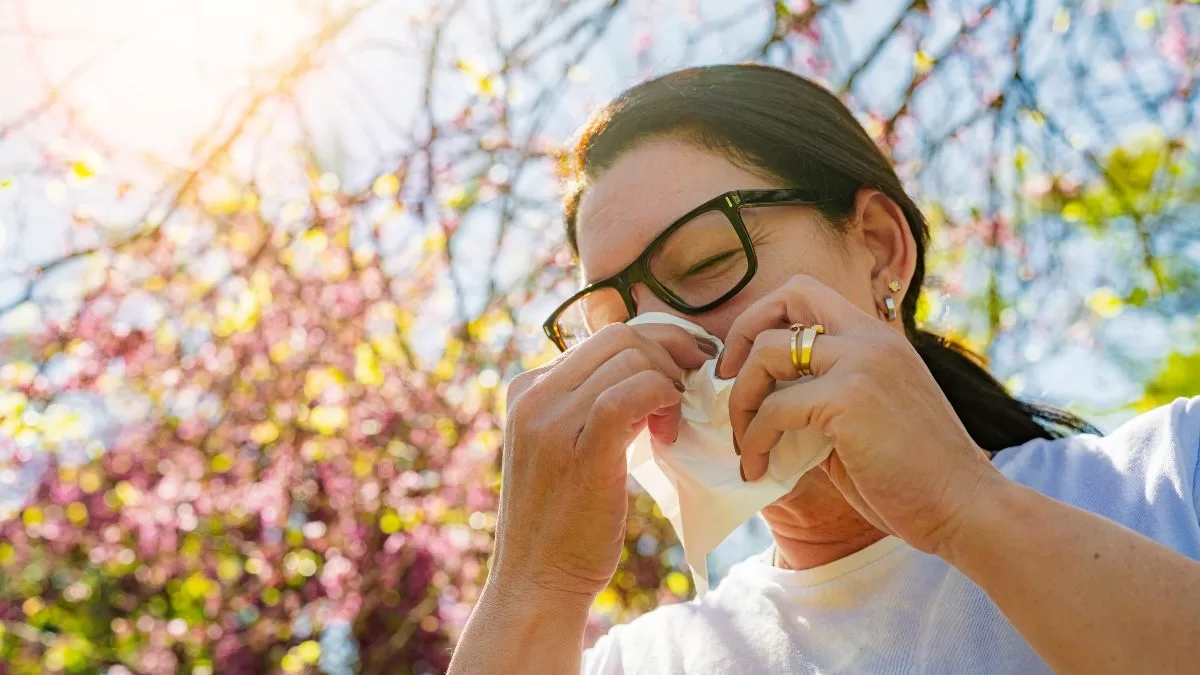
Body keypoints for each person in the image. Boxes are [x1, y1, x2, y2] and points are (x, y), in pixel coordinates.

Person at [448, 64, 1200, 674]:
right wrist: (531, 588)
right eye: (612, 326)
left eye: (707, 263)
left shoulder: (1171, 477)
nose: (663, 344)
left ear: (879, 246)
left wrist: (962, 504)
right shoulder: (646, 661)